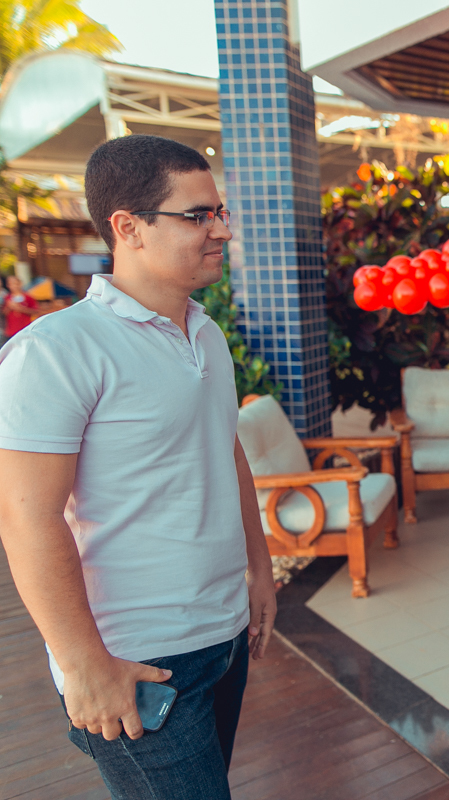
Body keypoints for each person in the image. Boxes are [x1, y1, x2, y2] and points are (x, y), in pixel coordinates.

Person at [0, 134, 276, 800]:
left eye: (219, 212)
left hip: (223, 630)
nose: (220, 230)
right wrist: (83, 663)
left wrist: (260, 568)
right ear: (128, 227)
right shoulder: (57, 352)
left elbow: (226, 448)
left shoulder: (205, 332)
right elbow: (25, 515)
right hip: (135, 658)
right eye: (197, 215)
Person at [3, 274, 38, 339]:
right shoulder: (6, 298)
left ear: (20, 284)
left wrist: (20, 309)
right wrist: (9, 307)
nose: (14, 286)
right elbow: (4, 313)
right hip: (12, 331)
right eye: (12, 284)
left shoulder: (28, 297)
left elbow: (35, 311)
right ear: (8, 286)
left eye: (16, 284)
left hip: (25, 328)